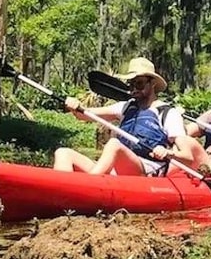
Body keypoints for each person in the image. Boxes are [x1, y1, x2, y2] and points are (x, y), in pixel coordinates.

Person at [52, 57, 203, 176]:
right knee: (63, 153)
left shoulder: (168, 113)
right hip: (118, 166)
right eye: (131, 84)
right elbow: (85, 115)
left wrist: (168, 153)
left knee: (114, 144)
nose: (133, 89)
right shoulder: (126, 106)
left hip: (147, 169)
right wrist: (75, 107)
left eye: (139, 84)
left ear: (153, 84)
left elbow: (188, 157)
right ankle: (59, 191)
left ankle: (89, 184)